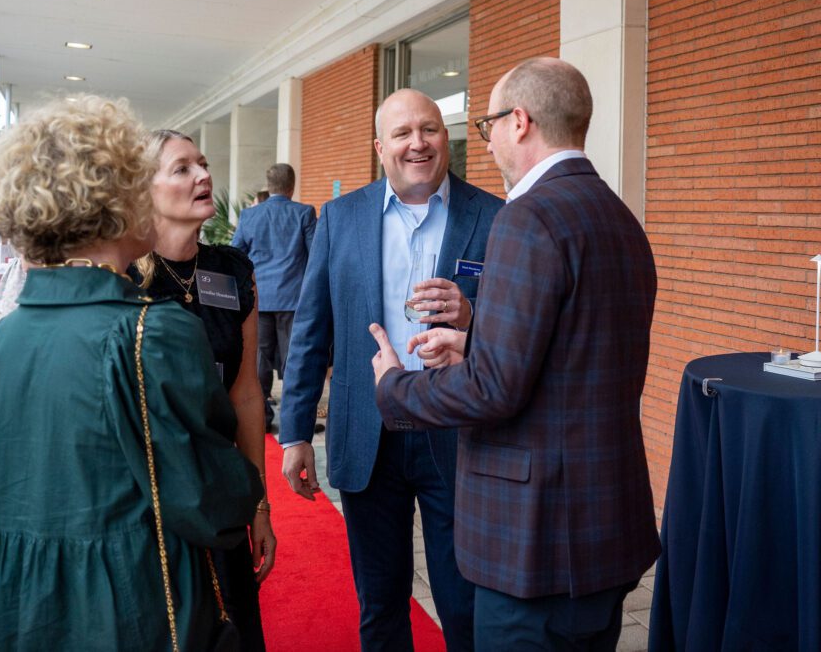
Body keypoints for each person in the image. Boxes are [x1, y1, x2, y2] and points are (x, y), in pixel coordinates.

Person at [370, 57, 660, 650]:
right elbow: (577, 355)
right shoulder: (620, 216)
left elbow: (492, 391)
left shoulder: (527, 217)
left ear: (519, 121)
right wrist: (476, 341)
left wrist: (393, 383)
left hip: (538, 542)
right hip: (605, 527)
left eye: (488, 124)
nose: (490, 138)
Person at [0, 96, 262, 650]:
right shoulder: (154, 332)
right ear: (118, 201)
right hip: (130, 600)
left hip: (19, 604)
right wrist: (250, 492)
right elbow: (208, 500)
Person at [279, 88, 503, 651]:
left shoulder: (494, 216)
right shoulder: (340, 217)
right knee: (380, 603)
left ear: (445, 139)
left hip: (457, 432)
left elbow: (519, 329)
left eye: (429, 129)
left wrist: (472, 316)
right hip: (368, 432)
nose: (418, 143)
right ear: (381, 147)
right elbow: (312, 329)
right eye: (402, 133)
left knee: (464, 601)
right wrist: (296, 433)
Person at [138, 129, 276, 652]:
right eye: (182, 168)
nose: (204, 176)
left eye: (203, 164)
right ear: (144, 187)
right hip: (149, 498)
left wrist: (259, 506)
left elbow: (245, 395)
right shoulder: (123, 276)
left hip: (219, 493)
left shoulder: (233, 269)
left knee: (233, 631)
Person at [231, 162, 317, 431]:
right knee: (295, 361)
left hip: (259, 299)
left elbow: (235, 254)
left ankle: (263, 419)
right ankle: (295, 423)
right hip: (293, 300)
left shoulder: (249, 216)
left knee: (260, 362)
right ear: (292, 186)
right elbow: (316, 254)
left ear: (269, 187)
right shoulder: (304, 213)